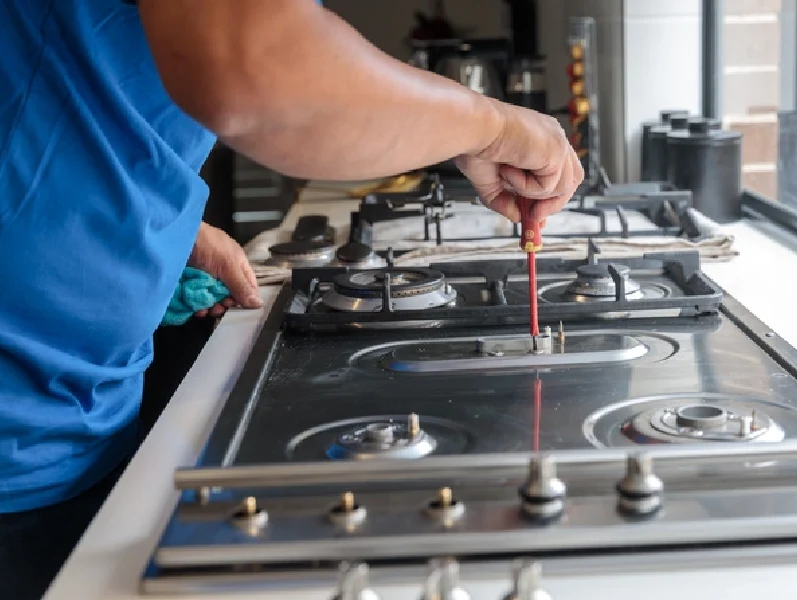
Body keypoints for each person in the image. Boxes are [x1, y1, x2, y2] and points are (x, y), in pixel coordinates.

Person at [0, 0, 583, 597]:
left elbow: (72, 71)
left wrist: (155, 224)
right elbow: (256, 70)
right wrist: (494, 127)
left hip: (73, 420)